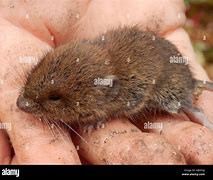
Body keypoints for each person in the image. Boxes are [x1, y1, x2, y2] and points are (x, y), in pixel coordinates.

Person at [0, 0, 213, 164]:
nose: (24, 104)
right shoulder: (89, 61)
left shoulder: (114, 90)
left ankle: (196, 111)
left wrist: (100, 116)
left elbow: (136, 98)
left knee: (175, 103)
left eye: (54, 98)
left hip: (171, 77)